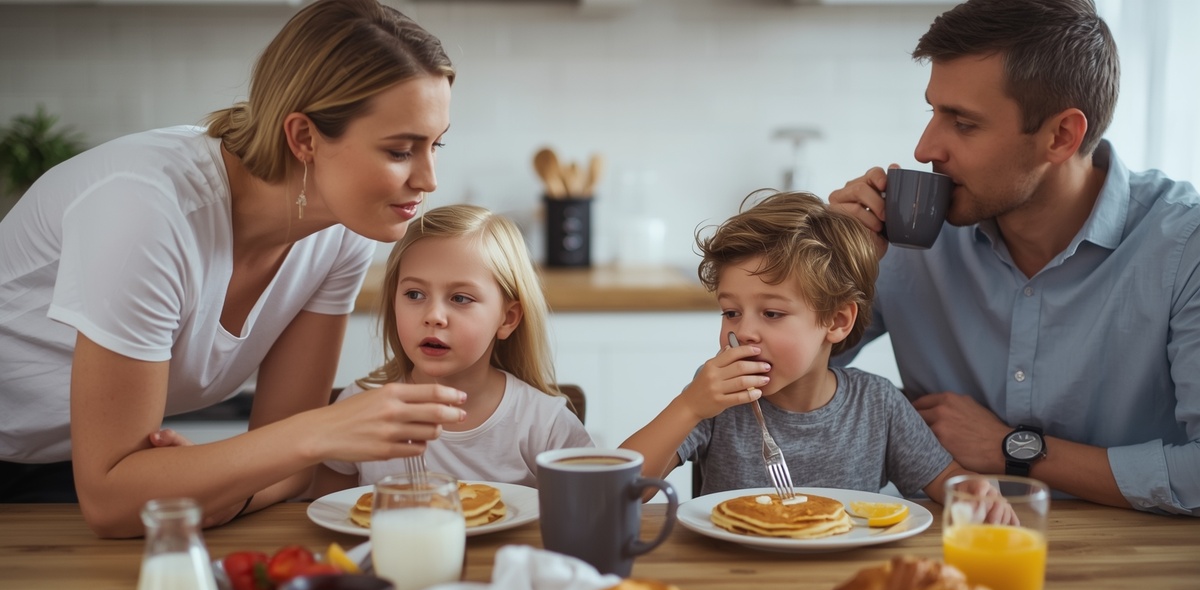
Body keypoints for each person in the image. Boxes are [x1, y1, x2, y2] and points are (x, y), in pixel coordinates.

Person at [0, 0, 467, 536]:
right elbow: (112, 499)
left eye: (436, 144)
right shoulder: (145, 212)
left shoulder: (343, 229)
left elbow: (287, 467)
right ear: (304, 138)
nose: (429, 178)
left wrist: (214, 489)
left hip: (63, 468)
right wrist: (320, 432)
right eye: (401, 151)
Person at [828, 0, 1200, 515]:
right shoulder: (910, 237)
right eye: (933, 111)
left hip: (1132, 560)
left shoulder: (1184, 247)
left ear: (1061, 136)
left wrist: (1014, 449)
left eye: (962, 123)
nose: (924, 147)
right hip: (947, 546)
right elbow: (767, 382)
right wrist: (828, 268)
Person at [622, 190, 976, 503]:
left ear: (836, 321)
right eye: (731, 312)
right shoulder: (719, 399)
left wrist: (976, 493)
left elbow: (947, 483)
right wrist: (689, 406)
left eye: (772, 313)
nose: (744, 331)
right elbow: (620, 491)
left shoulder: (877, 405)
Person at [311, 205, 593, 494]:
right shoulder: (358, 407)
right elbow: (332, 511)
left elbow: (590, 508)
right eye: (415, 294)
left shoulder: (543, 423)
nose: (434, 316)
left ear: (507, 318)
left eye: (460, 298)